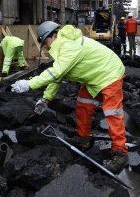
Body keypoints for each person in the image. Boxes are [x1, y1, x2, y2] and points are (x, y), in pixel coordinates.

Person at [11, 21, 129, 174]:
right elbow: (58, 77)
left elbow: (55, 72)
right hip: (94, 77)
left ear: (53, 36)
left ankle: (120, 152)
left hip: (109, 73)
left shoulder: (68, 46)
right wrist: (46, 99)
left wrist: (29, 84)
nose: (45, 47)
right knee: (83, 103)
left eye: (45, 42)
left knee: (112, 112)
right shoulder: (63, 48)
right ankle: (83, 138)